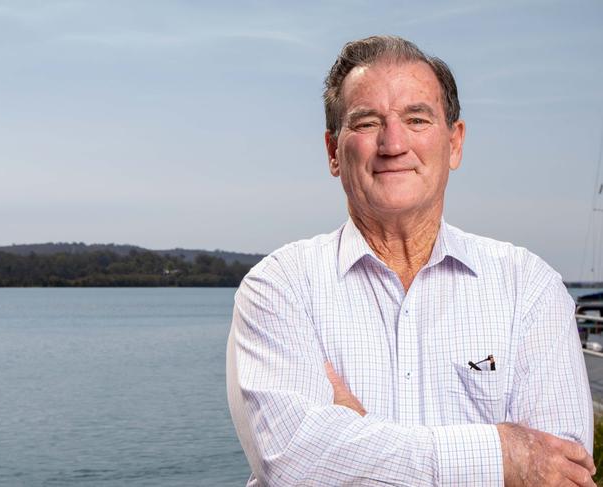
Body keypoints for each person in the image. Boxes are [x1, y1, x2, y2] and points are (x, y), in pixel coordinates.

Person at [226, 35, 595, 486]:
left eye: (417, 118)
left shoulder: (529, 288)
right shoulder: (280, 287)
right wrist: (502, 455)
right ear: (332, 152)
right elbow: (294, 463)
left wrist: (356, 445)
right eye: (366, 123)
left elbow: (563, 475)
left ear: (454, 143)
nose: (393, 143)